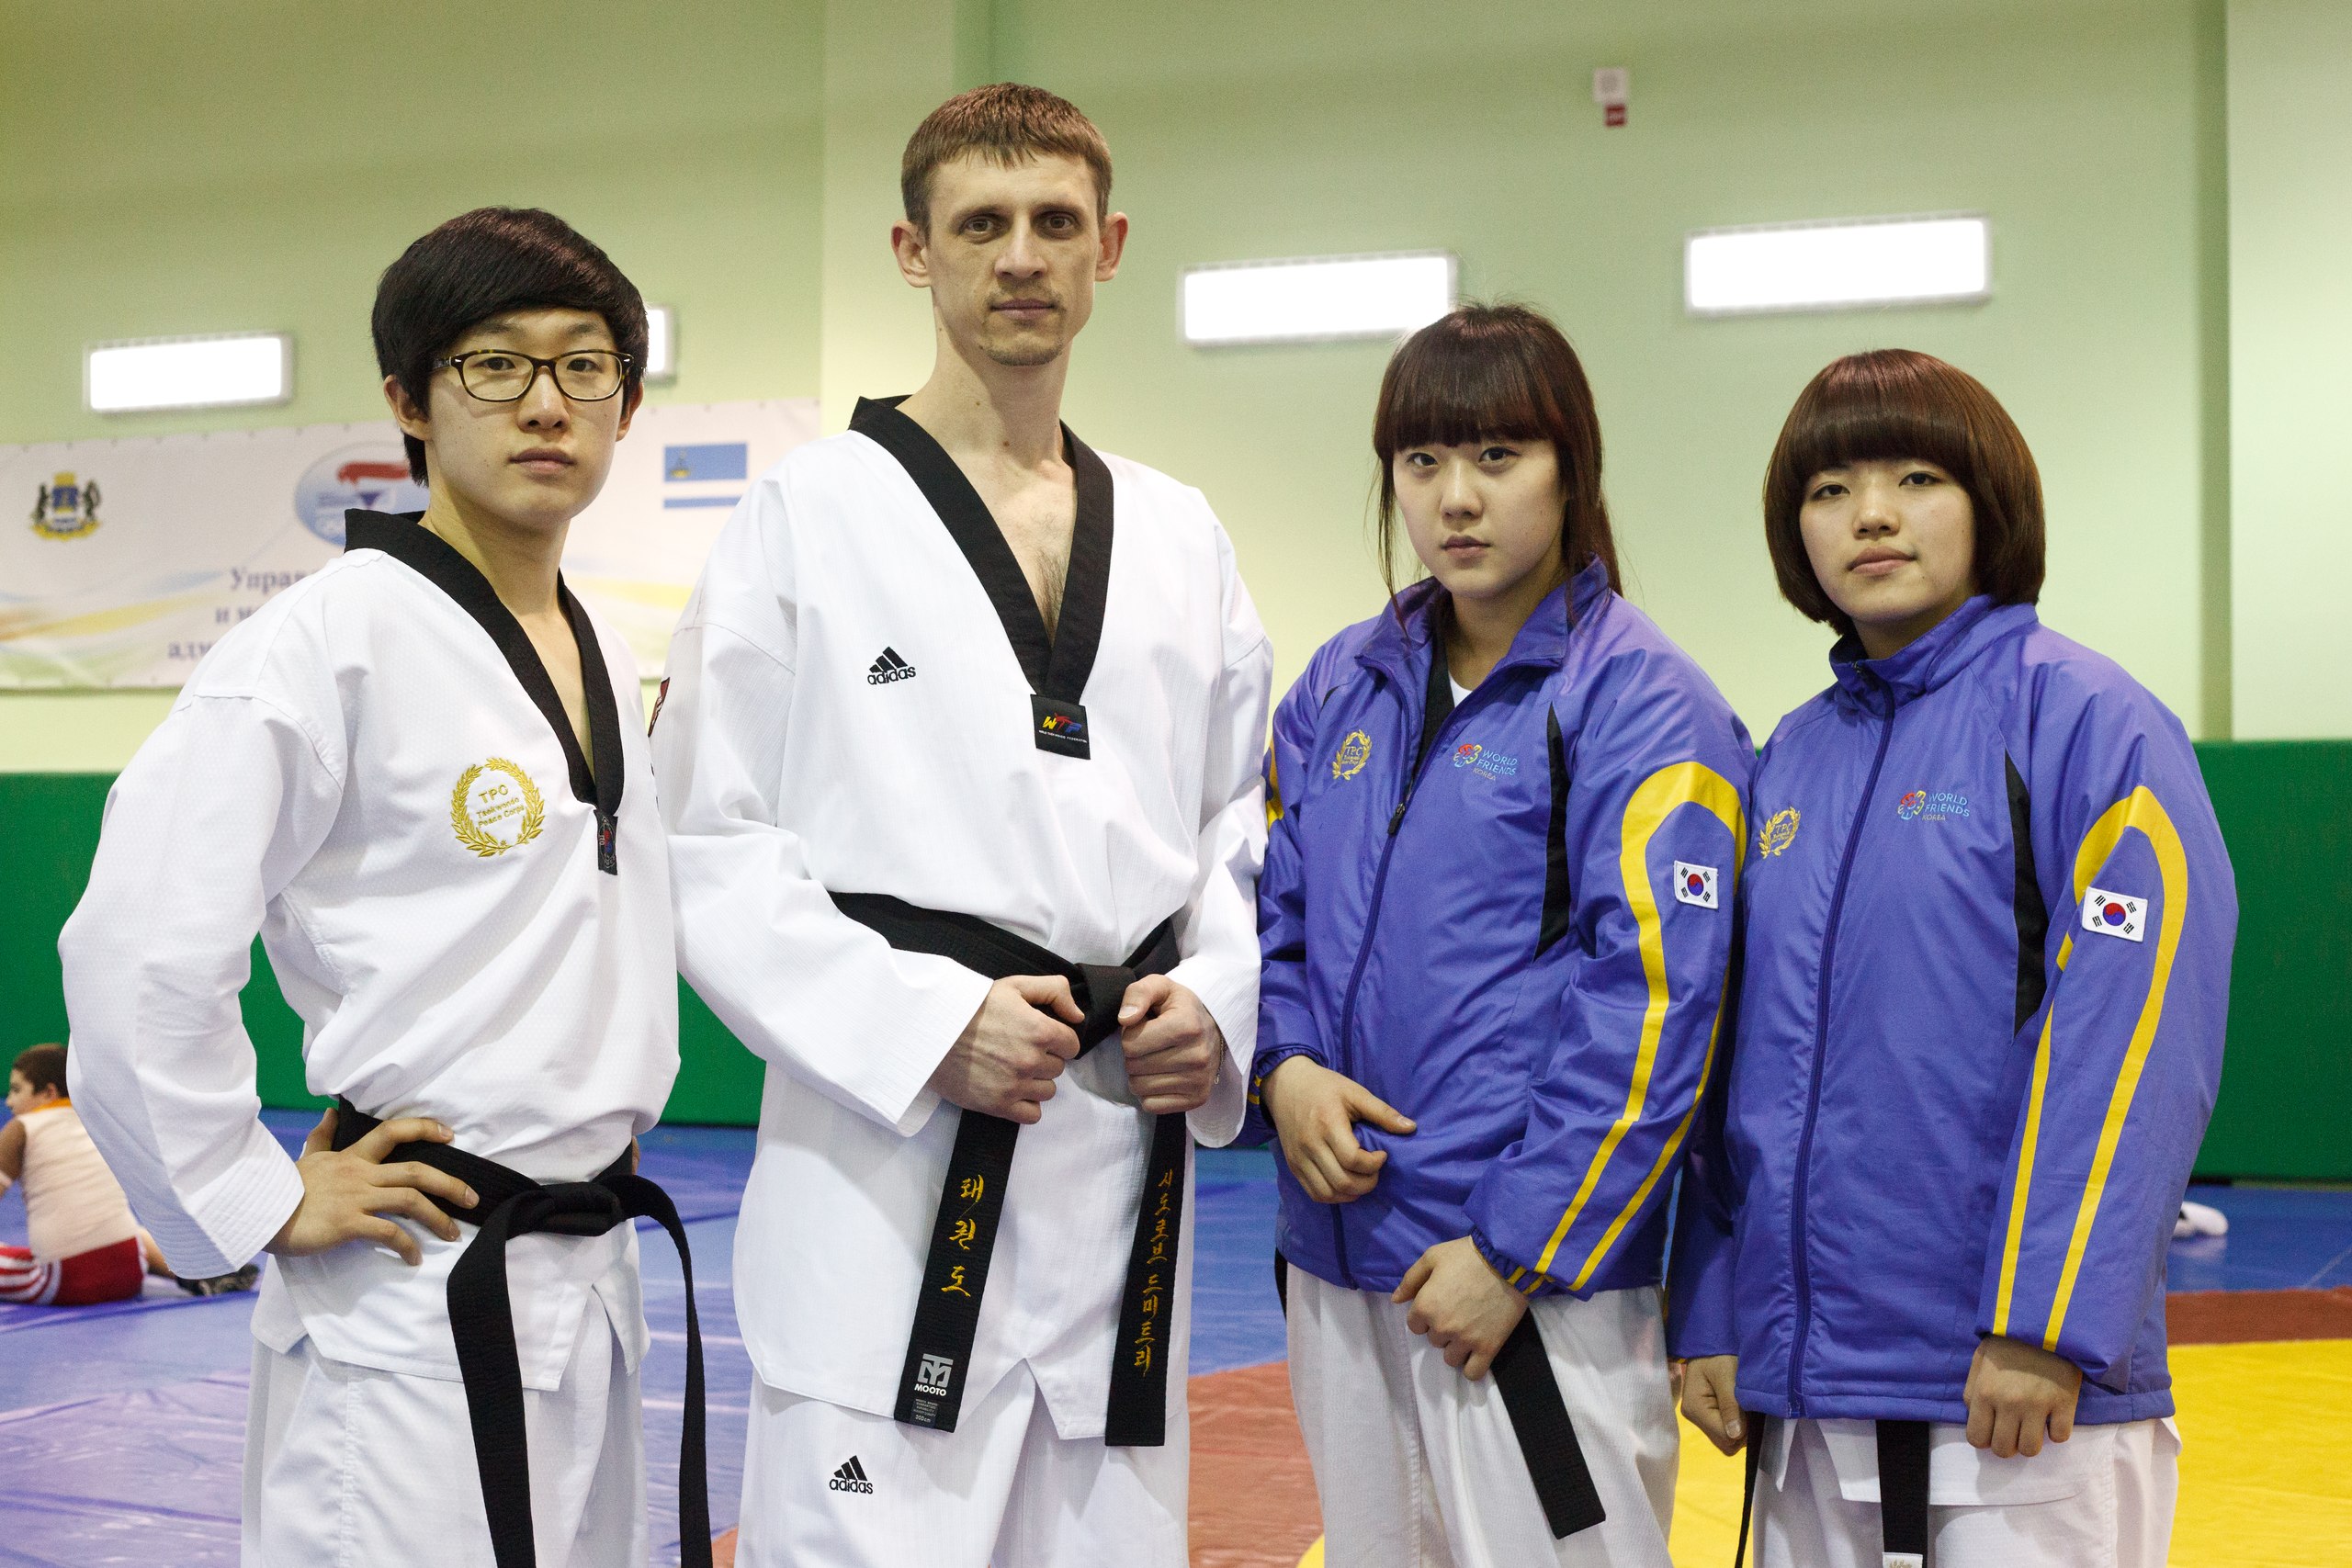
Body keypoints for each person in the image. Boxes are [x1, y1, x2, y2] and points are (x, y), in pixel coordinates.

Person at [654, 83, 1270, 1568]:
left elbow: (1243, 823)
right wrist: (927, 1024)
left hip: (1122, 1181)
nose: (1021, 257)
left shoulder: (1180, 533)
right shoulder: (806, 514)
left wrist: (1219, 1002)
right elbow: (704, 837)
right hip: (889, 1175)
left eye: (1056, 222)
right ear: (911, 250)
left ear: (1110, 247)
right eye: (981, 223)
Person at [61, 208, 707, 1568]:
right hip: (412, 1284)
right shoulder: (320, 645)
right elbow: (137, 947)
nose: (548, 403)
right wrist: (248, 1195)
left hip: (592, 1271)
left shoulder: (603, 644)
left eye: (585, 364)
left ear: (627, 402)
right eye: (496, 364)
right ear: (409, 402)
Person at [1668, 349, 2234, 1568]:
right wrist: (1711, 1303)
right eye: (1828, 489)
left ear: (1990, 502)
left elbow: (2136, 1039)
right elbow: (1732, 1067)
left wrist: (2046, 1322)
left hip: (2020, 1404)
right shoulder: (1789, 758)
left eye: (1915, 478)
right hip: (1809, 1395)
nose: (1869, 515)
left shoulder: (2090, 722)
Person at [1249, 303, 1751, 1567]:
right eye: (1422, 461)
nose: (1455, 498)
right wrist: (1284, 1066)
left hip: (1528, 1289)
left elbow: (1657, 1009)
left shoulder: (1644, 704)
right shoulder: (1340, 683)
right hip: (1339, 1263)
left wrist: (1515, 1250)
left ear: (1571, 470)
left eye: (1496, 457)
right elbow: (1276, 916)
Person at [0, 1043, 248, 1303]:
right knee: (129, 1233)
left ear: (49, 1093)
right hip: (130, 1269)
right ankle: (198, 1272)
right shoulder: (96, 1120)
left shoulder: (22, 1127)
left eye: (17, 1090)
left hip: (68, 1281)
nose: (9, 1101)